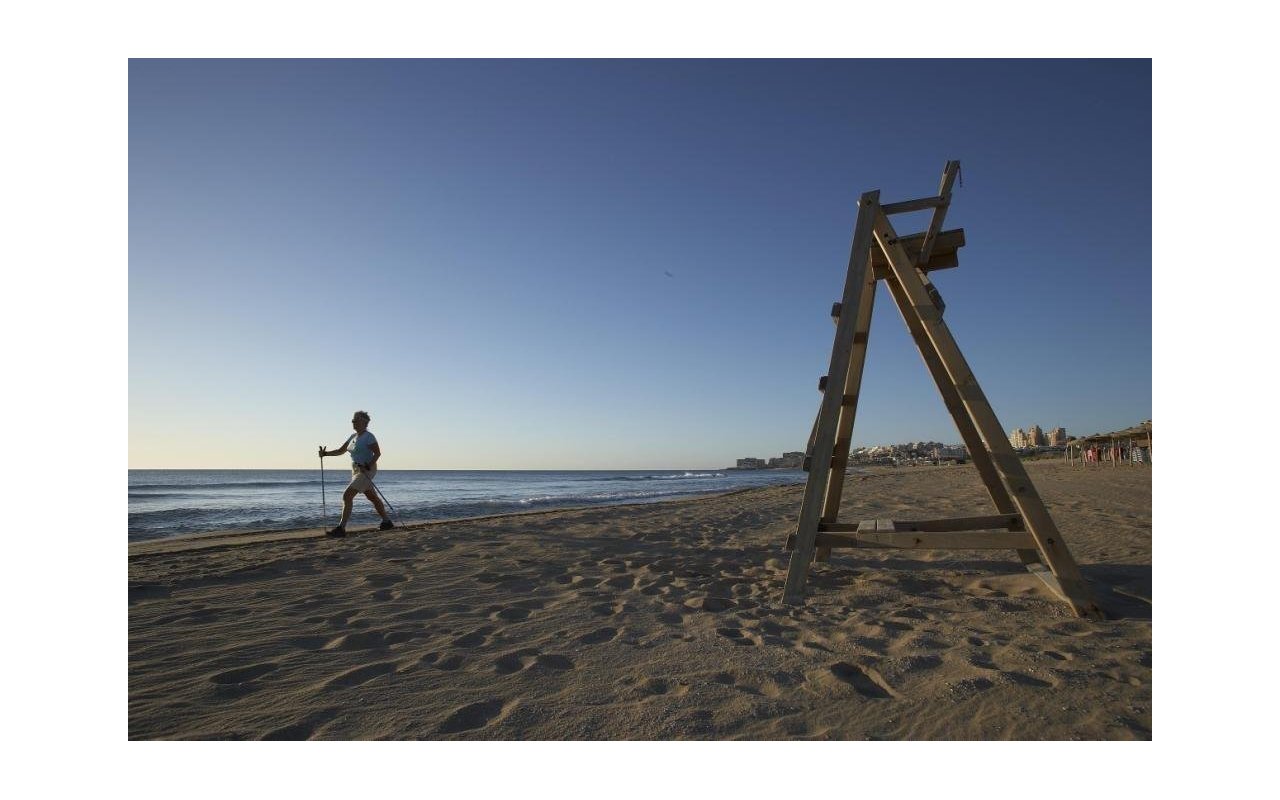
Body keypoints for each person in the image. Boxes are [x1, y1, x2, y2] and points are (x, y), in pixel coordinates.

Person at [318, 410, 394, 537]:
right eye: (353, 420)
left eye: (356, 420)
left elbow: (377, 453)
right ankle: (387, 522)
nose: (353, 422)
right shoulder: (353, 437)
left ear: (364, 422)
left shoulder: (369, 436)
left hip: (366, 470)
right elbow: (341, 451)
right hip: (355, 470)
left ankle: (341, 528)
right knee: (372, 497)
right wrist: (325, 454)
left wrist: (368, 465)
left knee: (347, 496)